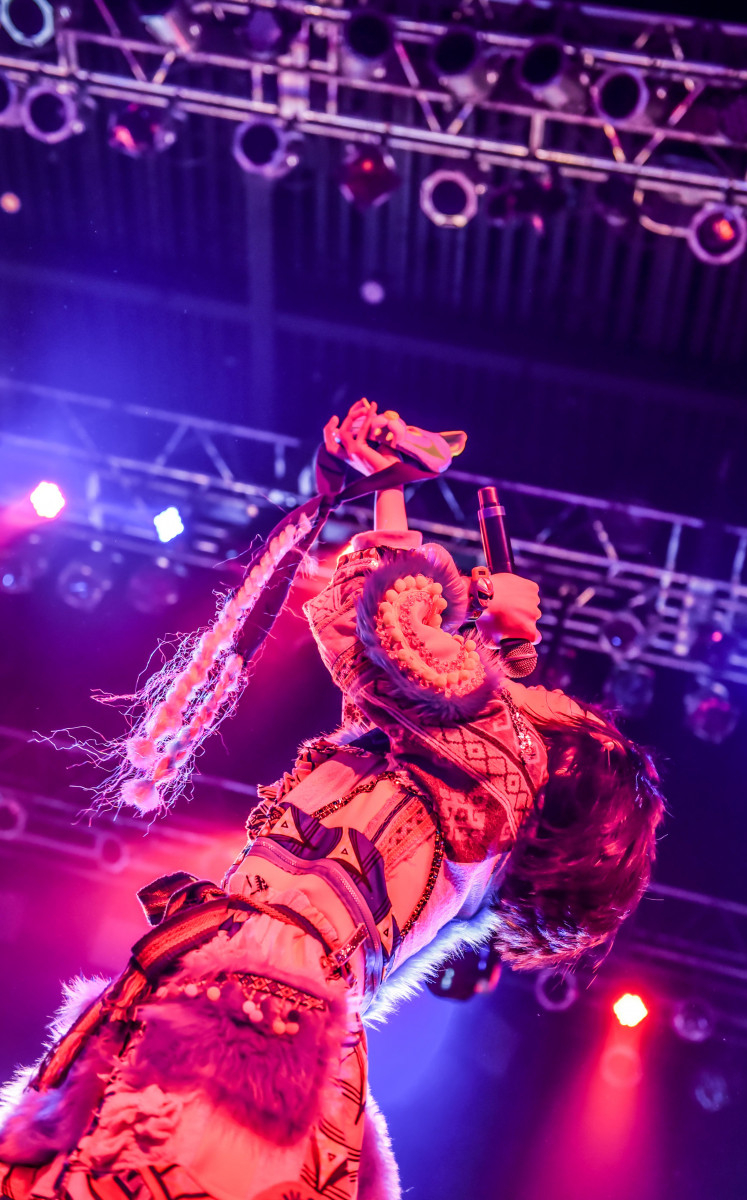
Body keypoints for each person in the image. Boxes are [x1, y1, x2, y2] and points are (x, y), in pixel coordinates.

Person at [0, 402, 664, 1200]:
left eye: (570, 710)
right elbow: (384, 677)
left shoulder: (504, 769)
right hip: (251, 994)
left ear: (570, 767)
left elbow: (382, 632)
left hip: (253, 1009)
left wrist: (400, 499)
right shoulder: (464, 781)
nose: (558, 694)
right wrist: (402, 510)